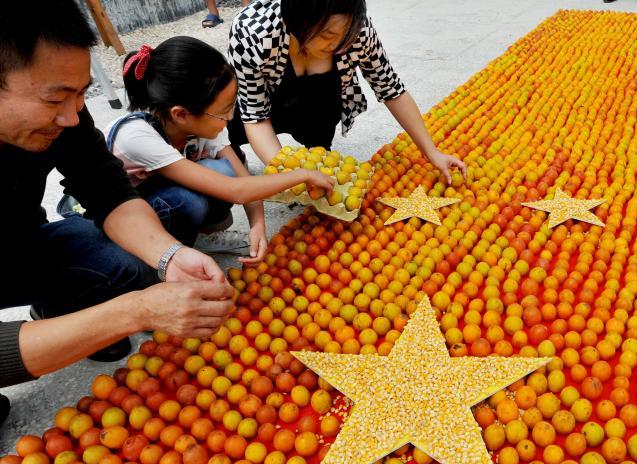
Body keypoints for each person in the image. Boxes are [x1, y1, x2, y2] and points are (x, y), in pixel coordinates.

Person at [0, 0, 235, 427]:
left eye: (80, 94)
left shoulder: (65, 112)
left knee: (127, 264)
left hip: (17, 242)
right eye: (55, 98)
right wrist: (134, 312)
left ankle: (52, 314)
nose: (71, 116)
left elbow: (104, 185)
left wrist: (170, 256)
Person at [107, 37, 334, 259]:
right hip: (125, 214)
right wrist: (301, 175)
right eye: (224, 110)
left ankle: (201, 237)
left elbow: (243, 181)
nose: (231, 116)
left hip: (162, 190)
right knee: (188, 201)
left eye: (232, 106)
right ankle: (160, 250)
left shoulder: (201, 124)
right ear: (181, 114)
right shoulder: (137, 137)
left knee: (225, 169)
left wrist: (257, 226)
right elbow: (236, 190)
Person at [227, 0, 467, 183]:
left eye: (346, 35)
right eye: (327, 36)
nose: (339, 45)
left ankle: (317, 150)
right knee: (230, 118)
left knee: (320, 140)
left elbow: (391, 87)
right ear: (297, 22)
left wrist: (431, 151)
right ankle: (232, 148)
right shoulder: (252, 34)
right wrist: (289, 176)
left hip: (315, 102)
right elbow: (255, 115)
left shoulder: (358, 31)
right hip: (268, 98)